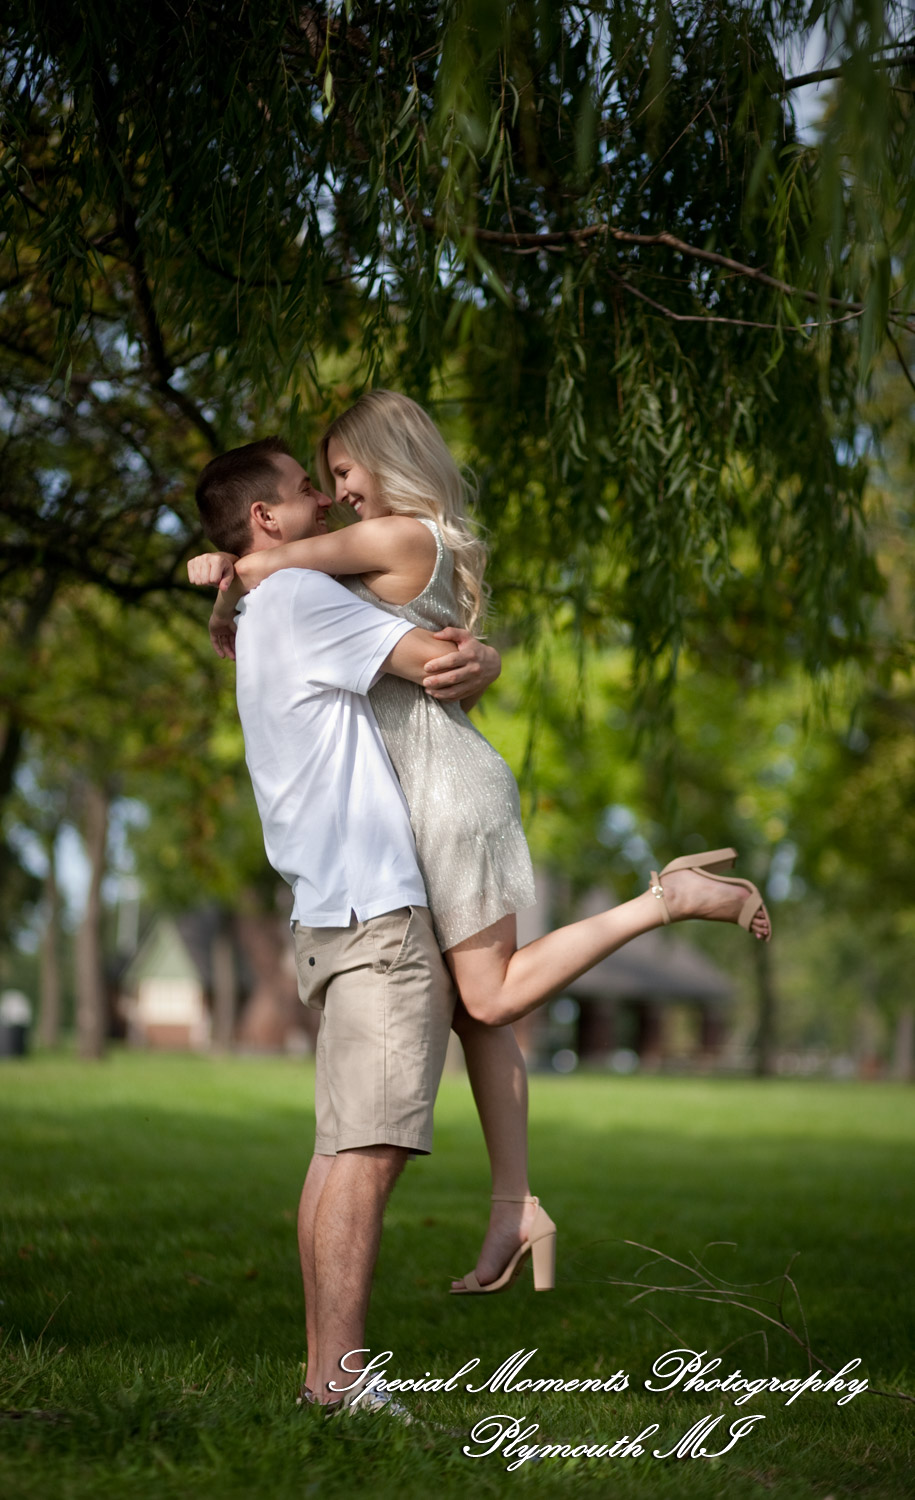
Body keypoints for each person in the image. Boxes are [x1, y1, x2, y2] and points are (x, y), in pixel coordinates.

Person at [190, 392, 771, 1293]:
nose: (340, 493)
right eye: (326, 480)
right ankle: (515, 1205)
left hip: (440, 794)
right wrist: (239, 598)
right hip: (422, 789)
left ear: (386, 457)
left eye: (343, 472)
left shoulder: (397, 534)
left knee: (489, 998)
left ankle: (671, 898)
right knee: (472, 1008)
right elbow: (384, 644)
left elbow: (286, 563)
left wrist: (229, 564)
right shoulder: (401, 547)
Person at [192, 440, 505, 1404]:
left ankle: (325, 1374)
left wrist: (224, 580)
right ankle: (338, 1380)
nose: (325, 501)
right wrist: (476, 649)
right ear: (264, 520)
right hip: (377, 915)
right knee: (366, 1158)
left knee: (338, 1156)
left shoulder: (260, 609)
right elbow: (435, 662)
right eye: (303, 490)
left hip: (328, 914)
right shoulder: (299, 598)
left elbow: (243, 619)